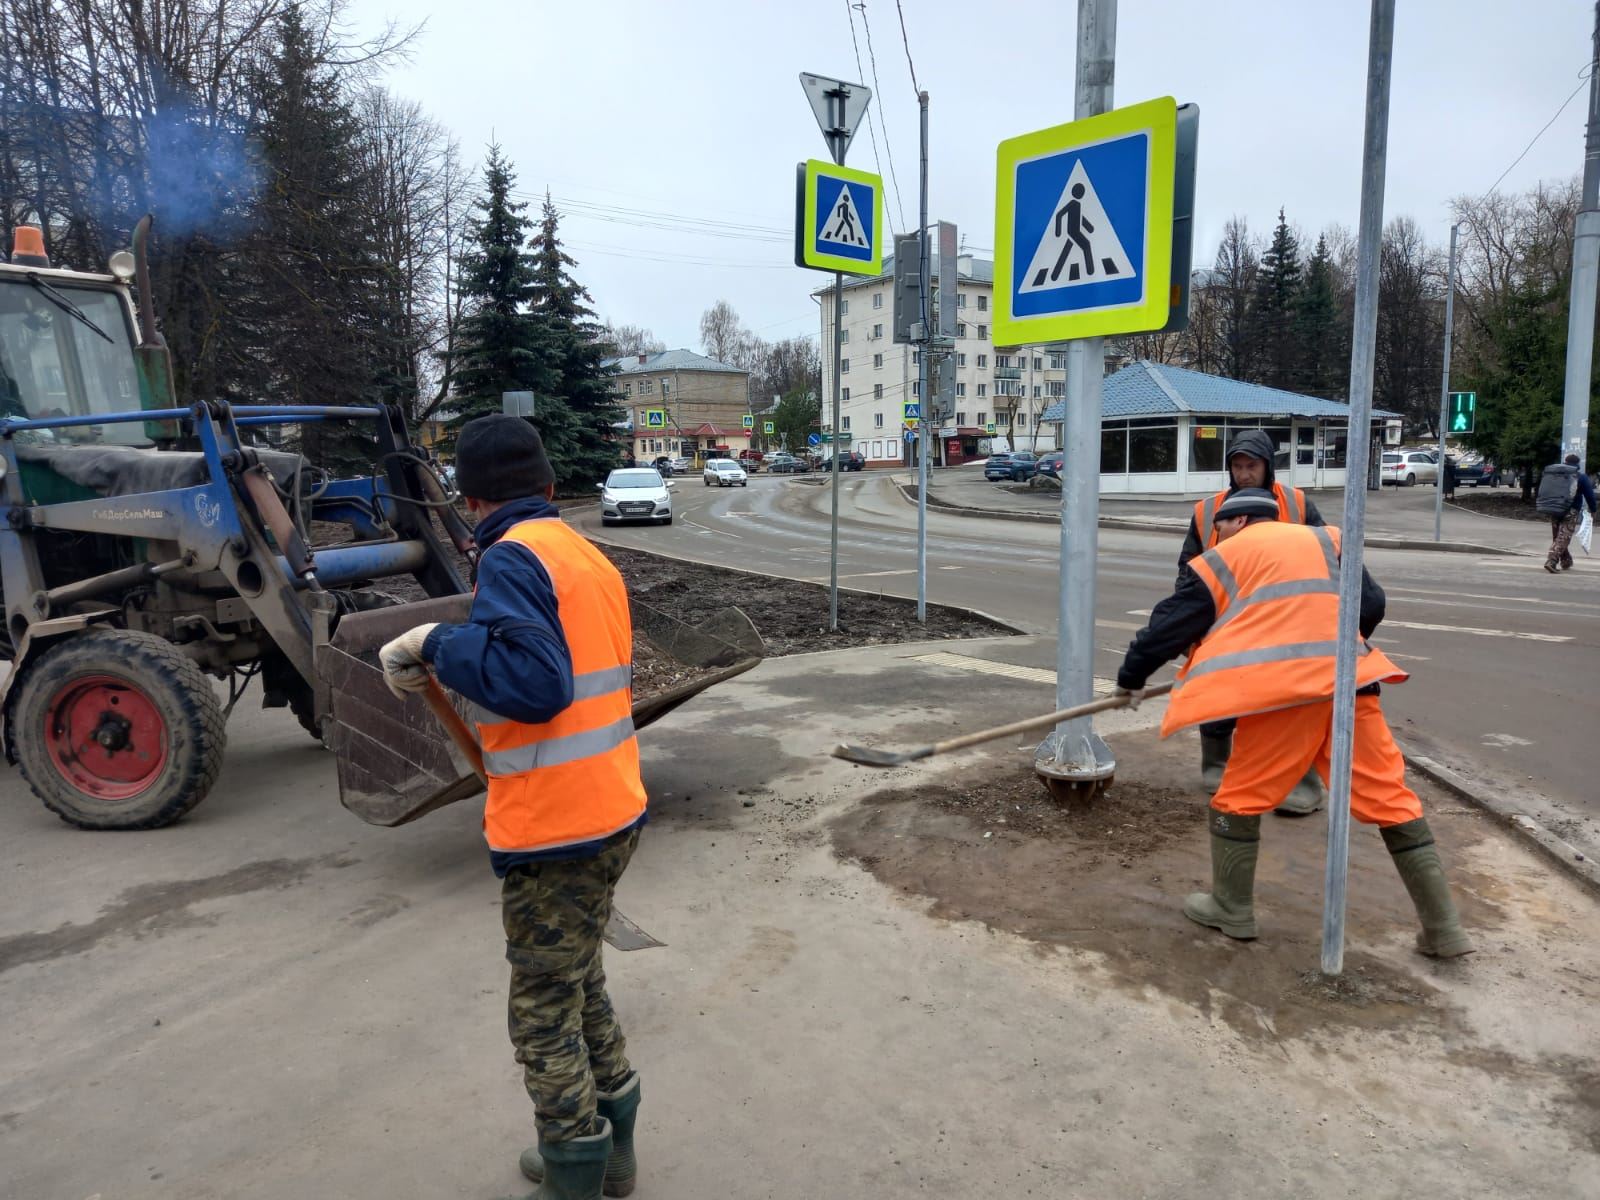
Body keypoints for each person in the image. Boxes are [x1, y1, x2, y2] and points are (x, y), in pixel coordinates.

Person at [379, 414, 647, 1200]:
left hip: (554, 826)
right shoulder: (585, 555)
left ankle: (573, 1169)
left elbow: (536, 686)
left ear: (467, 498)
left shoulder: (510, 558)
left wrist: (433, 642)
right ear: (551, 487)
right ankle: (614, 1149)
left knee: (540, 1009)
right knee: (579, 980)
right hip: (612, 808)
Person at [1117, 488, 1473, 956]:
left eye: (1218, 527)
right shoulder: (1327, 541)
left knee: (1239, 797)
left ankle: (1231, 907)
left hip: (1285, 695)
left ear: (1239, 522)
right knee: (1390, 798)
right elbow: (1372, 603)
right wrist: (1330, 642)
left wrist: (1130, 680)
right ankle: (1444, 930)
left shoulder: (1221, 560)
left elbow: (1168, 627)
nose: (1214, 536)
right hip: (1352, 684)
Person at [1178, 429, 1327, 814]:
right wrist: (1188, 626)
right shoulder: (1207, 512)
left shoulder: (1296, 504)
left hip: (1287, 619)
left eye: (1252, 466)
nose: (1244, 474)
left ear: (1267, 467)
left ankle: (1300, 780)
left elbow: (1325, 556)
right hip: (1226, 621)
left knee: (1290, 701)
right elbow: (1189, 571)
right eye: (1237, 466)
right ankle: (1217, 765)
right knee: (1219, 693)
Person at [1535, 453, 1596, 574]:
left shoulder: (1555, 475)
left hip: (1554, 509)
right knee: (1563, 537)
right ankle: (1551, 561)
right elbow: (1590, 495)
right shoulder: (1580, 476)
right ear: (1577, 464)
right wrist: (1593, 510)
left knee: (1558, 536)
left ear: (1565, 462)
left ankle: (1566, 560)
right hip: (1571, 510)